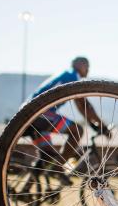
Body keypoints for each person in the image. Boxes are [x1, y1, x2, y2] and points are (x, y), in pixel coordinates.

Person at [26, 56, 109, 184]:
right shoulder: (72, 76)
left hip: (28, 116)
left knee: (47, 156)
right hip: (39, 114)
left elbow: (81, 108)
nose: (88, 70)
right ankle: (57, 168)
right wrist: (103, 126)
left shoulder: (66, 76)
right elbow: (86, 106)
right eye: (87, 66)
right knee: (77, 130)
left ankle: (24, 190)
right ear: (80, 65)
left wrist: (92, 123)